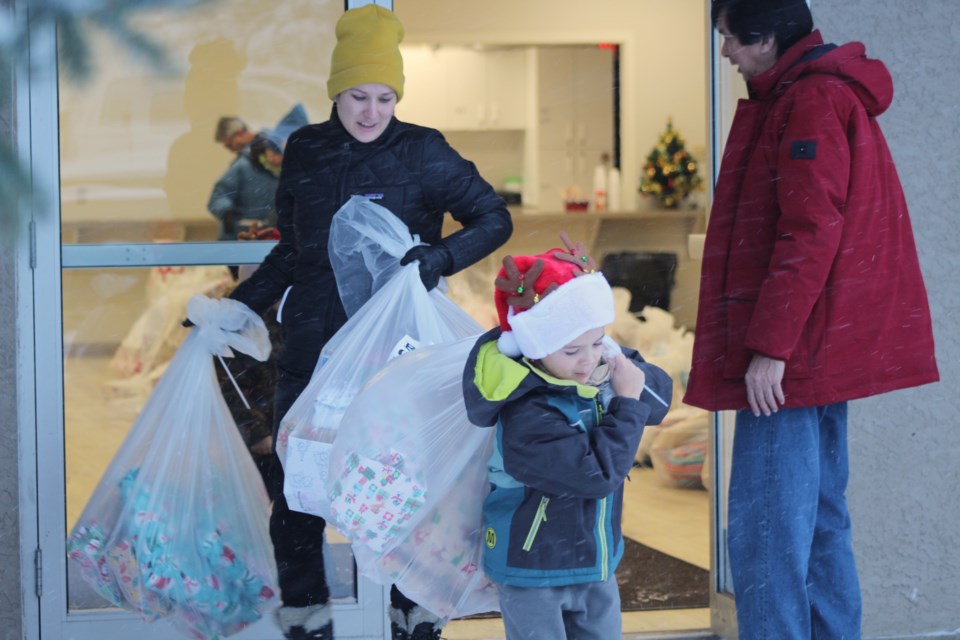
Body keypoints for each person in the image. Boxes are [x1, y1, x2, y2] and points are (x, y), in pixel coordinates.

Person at [227, 5, 512, 640]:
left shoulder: (422, 151)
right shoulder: (305, 150)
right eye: (359, 96)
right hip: (313, 345)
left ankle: (408, 611)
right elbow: (293, 251)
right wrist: (242, 302)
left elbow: (494, 218)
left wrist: (437, 258)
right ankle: (308, 615)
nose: (371, 111)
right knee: (299, 485)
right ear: (337, 92)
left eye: (385, 98)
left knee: (391, 486)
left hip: (393, 354)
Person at [685, 1, 940, 638]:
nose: (726, 55)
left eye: (731, 40)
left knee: (766, 531)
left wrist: (770, 349)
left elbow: (808, 233)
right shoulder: (812, 95)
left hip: (792, 356)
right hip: (815, 348)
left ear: (767, 39)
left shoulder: (810, 103)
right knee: (820, 520)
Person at [462, 237, 672, 640]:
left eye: (597, 342)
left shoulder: (591, 370)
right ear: (535, 347)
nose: (588, 359)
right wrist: (624, 402)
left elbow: (659, 402)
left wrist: (617, 363)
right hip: (534, 569)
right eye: (573, 350)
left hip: (596, 563)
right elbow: (596, 475)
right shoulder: (528, 410)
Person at [207, 104, 307, 242]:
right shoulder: (243, 166)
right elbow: (219, 195)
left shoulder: (292, 172)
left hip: (271, 240)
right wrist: (227, 212)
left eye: (230, 144)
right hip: (242, 239)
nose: (231, 150)